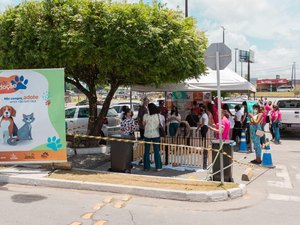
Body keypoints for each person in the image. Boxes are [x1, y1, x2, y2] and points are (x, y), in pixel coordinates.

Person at [143, 103, 163, 171]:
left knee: (146, 151)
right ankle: (158, 167)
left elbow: (143, 124)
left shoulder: (145, 116)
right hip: (156, 134)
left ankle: (146, 167)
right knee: (157, 151)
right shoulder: (158, 115)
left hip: (147, 134)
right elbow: (161, 124)